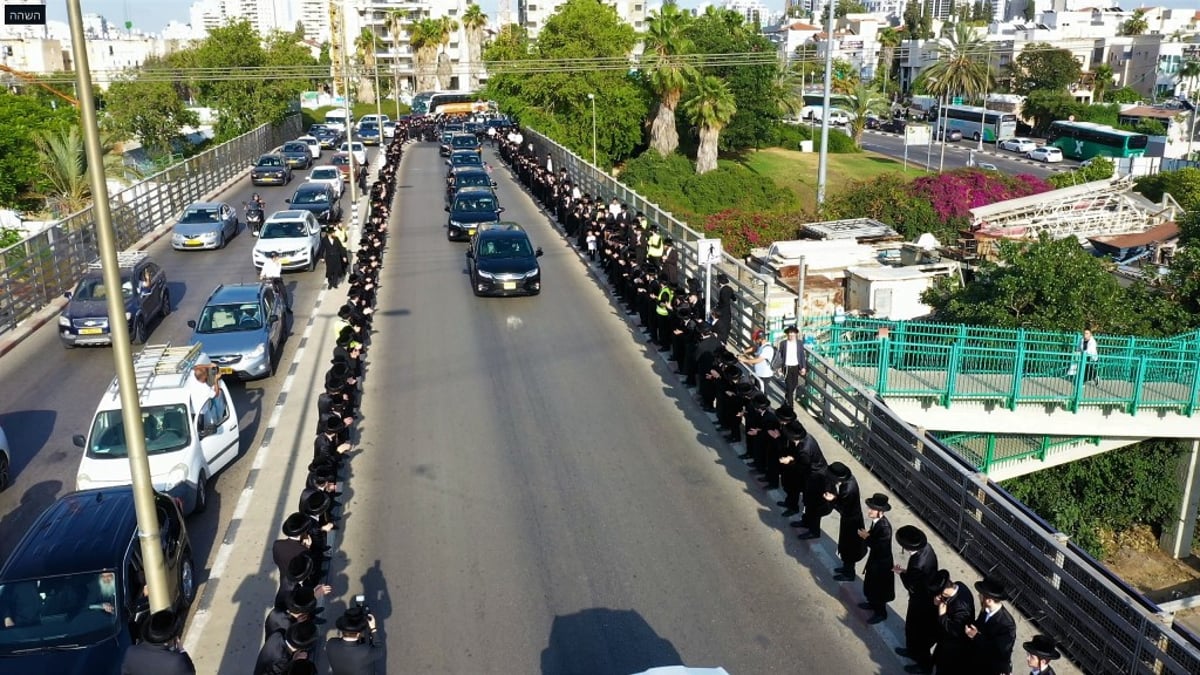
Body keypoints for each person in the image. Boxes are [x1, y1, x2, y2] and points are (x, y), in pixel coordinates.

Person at [895, 525, 940, 674]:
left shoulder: (916, 563)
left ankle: (924, 666)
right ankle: (912, 651)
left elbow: (911, 585)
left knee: (918, 633)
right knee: (915, 631)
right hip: (928, 597)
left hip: (920, 602)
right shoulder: (928, 549)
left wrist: (901, 573)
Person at [857, 493, 895, 624]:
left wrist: (866, 537)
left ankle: (880, 613)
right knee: (872, 585)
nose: (869, 511)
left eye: (872, 509)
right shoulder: (877, 523)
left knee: (879, 589)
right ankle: (872, 604)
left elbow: (879, 546)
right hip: (876, 561)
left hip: (882, 564)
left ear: (880, 512)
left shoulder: (885, 528)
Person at [120, 609, 195, 675]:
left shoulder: (131, 652)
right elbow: (190, 672)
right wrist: (182, 651)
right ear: (170, 639)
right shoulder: (177, 663)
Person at [967, 577, 1017, 675]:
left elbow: (999, 652)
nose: (979, 596)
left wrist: (976, 636)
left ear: (989, 600)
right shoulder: (985, 611)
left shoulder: (1007, 625)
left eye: (981, 595)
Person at [932, 570, 977, 675]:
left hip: (953, 648)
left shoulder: (961, 608)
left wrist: (942, 616)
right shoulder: (959, 585)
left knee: (943, 668)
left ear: (944, 591)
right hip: (945, 643)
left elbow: (956, 631)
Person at [326, 606, 384, 674]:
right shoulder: (365, 651)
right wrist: (373, 629)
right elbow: (379, 650)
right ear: (358, 634)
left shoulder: (330, 643)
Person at [776, 325, 807, 408]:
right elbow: (780, 356)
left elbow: (802, 356)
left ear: (796, 334)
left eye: (793, 333)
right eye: (789, 333)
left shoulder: (799, 343)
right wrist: (779, 367)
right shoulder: (783, 343)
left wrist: (803, 367)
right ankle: (790, 406)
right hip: (787, 367)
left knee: (794, 384)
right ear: (787, 334)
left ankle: (787, 397)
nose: (791, 335)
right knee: (789, 387)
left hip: (796, 366)